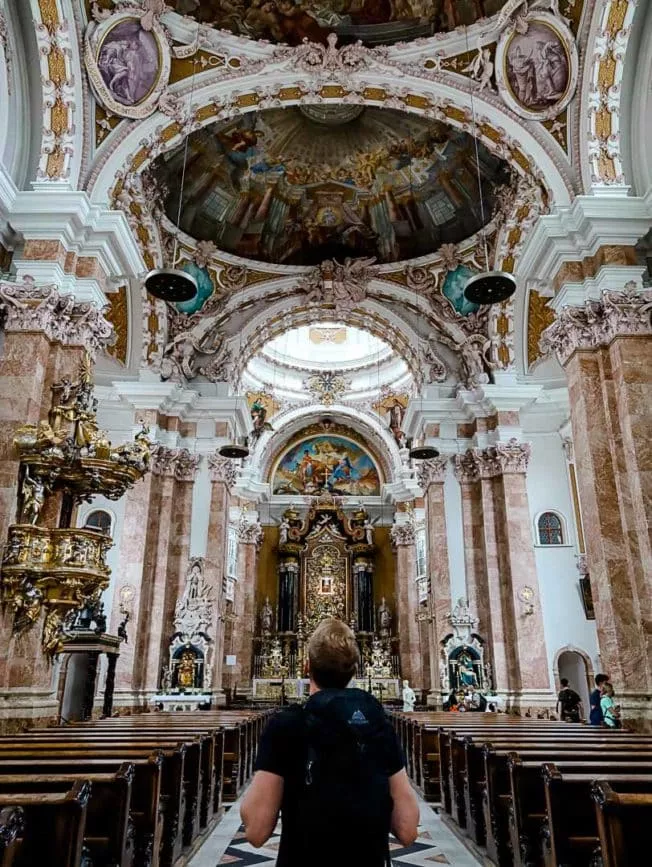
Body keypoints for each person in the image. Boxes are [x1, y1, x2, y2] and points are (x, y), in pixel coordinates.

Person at [241, 618, 419, 865]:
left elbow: (256, 832)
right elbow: (408, 829)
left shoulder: (286, 726)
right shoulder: (378, 724)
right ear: (355, 668)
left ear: (306, 666)